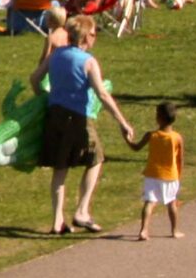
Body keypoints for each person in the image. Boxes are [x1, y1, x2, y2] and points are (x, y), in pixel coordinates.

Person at [37, 15, 134, 236]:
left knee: (60, 168)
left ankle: (57, 221)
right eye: (93, 34)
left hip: (55, 116)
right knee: (95, 158)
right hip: (78, 118)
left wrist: (44, 99)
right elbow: (102, 94)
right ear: (84, 37)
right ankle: (82, 211)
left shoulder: (56, 55)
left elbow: (35, 79)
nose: (94, 37)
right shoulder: (88, 61)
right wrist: (123, 122)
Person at [129, 102, 185, 241]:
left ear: (159, 118)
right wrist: (179, 176)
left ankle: (143, 230)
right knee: (172, 203)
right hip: (170, 175)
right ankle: (174, 230)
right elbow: (180, 159)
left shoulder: (151, 135)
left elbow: (136, 147)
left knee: (149, 202)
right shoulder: (177, 138)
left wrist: (127, 139)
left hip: (152, 174)